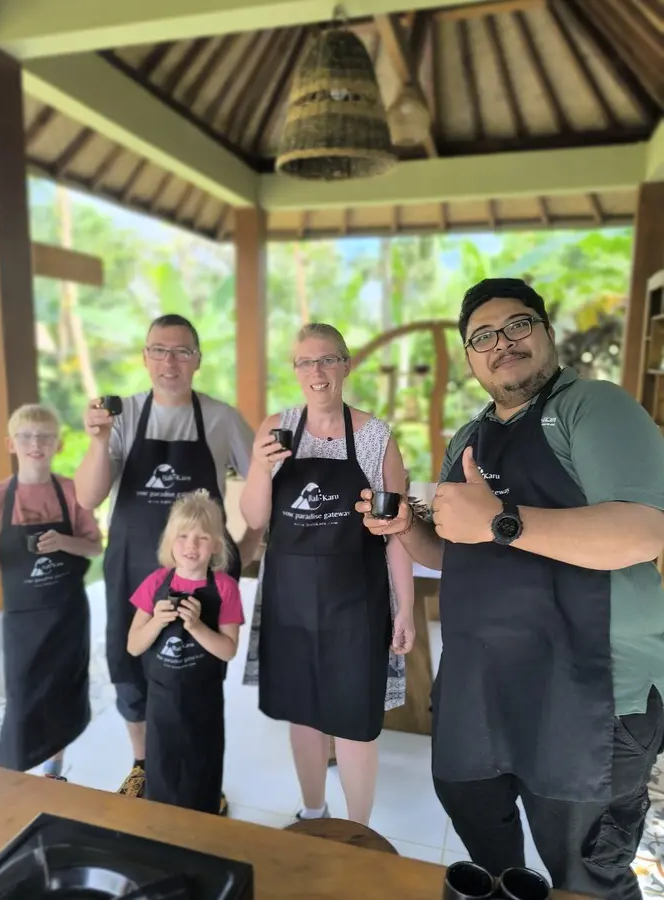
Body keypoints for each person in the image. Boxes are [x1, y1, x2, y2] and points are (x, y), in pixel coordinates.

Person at [356, 278, 664, 899]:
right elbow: (451, 550)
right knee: (491, 864)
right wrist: (405, 528)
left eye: (519, 325)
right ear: (472, 358)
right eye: (483, 337)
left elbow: (641, 531)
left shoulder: (593, 407)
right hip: (481, 687)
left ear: (547, 333)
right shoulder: (470, 438)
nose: (503, 343)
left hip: (587, 695)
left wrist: (501, 520)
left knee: (585, 877)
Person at [75, 313, 261, 808]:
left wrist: (254, 541)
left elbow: (264, 482)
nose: (169, 361)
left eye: (181, 351)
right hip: (135, 568)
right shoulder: (124, 416)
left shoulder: (221, 418)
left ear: (197, 360)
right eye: (159, 349)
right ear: (145, 357)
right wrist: (97, 440)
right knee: (131, 665)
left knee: (197, 671)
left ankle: (199, 773)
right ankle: (144, 765)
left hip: (203, 574)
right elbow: (88, 495)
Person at [240, 322, 414, 826]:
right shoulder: (276, 429)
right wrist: (257, 465)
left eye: (328, 359)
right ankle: (313, 811)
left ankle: (358, 831)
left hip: (356, 602)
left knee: (355, 722)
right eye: (305, 362)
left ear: (346, 364)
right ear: (295, 370)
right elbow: (254, 518)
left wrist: (404, 607)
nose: (317, 371)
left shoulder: (376, 436)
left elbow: (396, 530)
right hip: (289, 601)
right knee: (304, 713)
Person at [0, 403, 102, 779]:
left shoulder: (72, 492)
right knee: (22, 698)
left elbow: (94, 546)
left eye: (44, 436)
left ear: (58, 445)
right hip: (22, 619)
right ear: (11, 443)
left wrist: (63, 541)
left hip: (67, 613)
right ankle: (9, 778)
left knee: (63, 693)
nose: (35, 443)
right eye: (26, 436)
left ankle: (53, 770)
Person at [127, 490, 243, 813]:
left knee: (201, 770)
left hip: (204, 701)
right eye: (183, 537)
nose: (191, 546)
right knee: (162, 771)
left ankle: (205, 818)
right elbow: (133, 644)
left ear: (216, 546)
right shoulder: (155, 584)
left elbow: (228, 650)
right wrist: (155, 623)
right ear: (169, 542)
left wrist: (197, 628)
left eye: (202, 538)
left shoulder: (224, 589)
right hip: (161, 700)